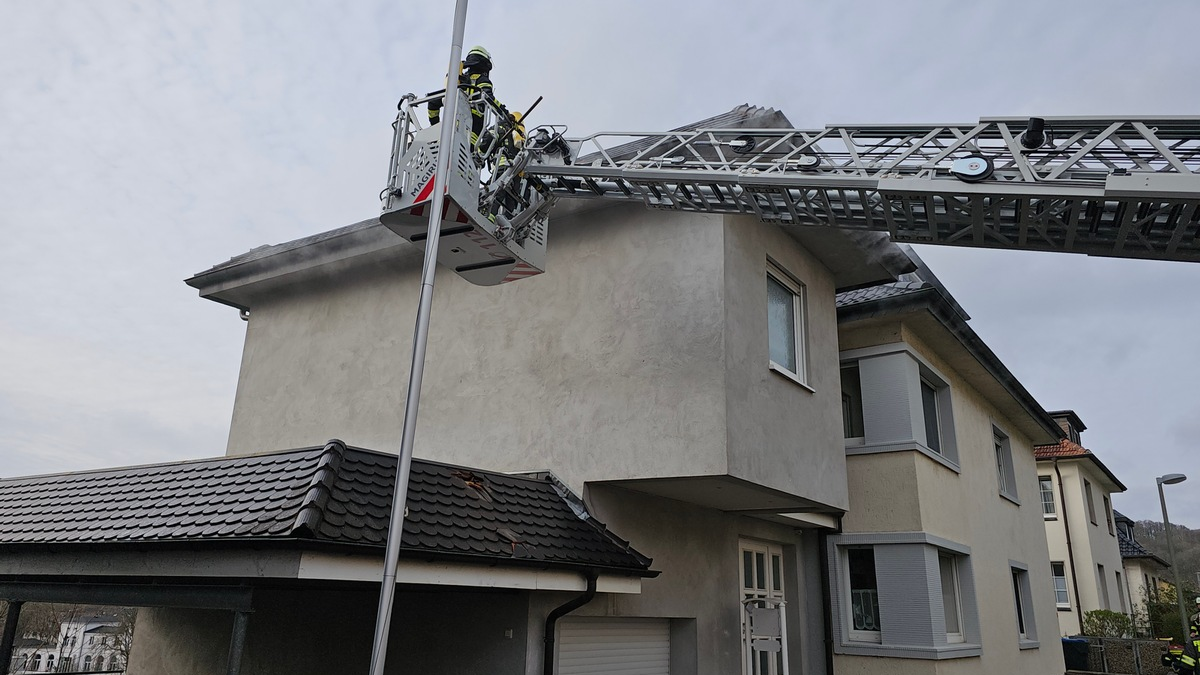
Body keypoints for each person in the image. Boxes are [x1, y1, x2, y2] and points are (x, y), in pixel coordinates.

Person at [427, 46, 494, 148]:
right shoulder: (482, 80)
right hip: (473, 129)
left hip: (451, 128)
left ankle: (436, 135)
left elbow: (433, 103)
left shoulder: (458, 81)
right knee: (466, 153)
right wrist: (504, 111)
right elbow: (489, 97)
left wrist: (435, 126)